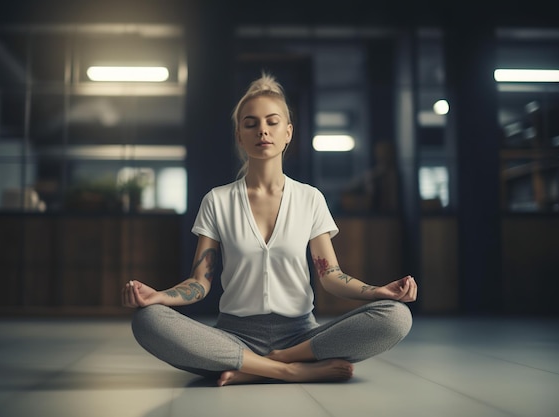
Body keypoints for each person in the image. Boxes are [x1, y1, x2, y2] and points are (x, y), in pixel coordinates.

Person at [121, 72, 417, 387]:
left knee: (396, 316)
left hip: (302, 337)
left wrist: (379, 292)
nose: (262, 130)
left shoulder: (310, 198)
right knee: (148, 319)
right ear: (239, 135)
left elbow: (331, 276)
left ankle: (270, 363)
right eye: (251, 123)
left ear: (288, 133)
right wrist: (159, 296)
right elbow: (199, 283)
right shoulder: (218, 200)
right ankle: (286, 370)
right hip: (234, 338)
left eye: (272, 122)